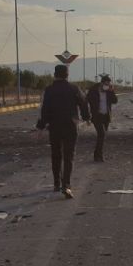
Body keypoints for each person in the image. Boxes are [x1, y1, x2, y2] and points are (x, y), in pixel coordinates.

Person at [36, 65, 90, 199]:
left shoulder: (49, 90)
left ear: (55, 74)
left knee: (56, 155)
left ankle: (56, 183)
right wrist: (87, 118)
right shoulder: (74, 88)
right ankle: (66, 185)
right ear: (67, 75)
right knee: (69, 156)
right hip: (70, 126)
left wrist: (41, 126)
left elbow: (45, 109)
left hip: (54, 126)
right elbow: (83, 103)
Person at [86, 74, 118, 162]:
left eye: (108, 84)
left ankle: (97, 154)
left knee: (102, 136)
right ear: (102, 83)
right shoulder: (93, 90)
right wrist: (87, 115)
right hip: (97, 116)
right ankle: (99, 156)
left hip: (106, 116)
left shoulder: (108, 91)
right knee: (102, 134)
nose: (107, 85)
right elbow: (86, 100)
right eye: (106, 84)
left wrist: (112, 91)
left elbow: (115, 101)